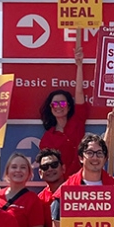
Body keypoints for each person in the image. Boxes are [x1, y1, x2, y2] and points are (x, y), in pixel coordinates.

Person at [38, 47, 88, 177]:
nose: (58, 107)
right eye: (55, 103)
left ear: (69, 106)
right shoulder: (47, 138)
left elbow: (79, 92)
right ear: (50, 107)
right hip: (61, 185)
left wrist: (79, 65)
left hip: (82, 181)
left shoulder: (78, 120)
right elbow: (48, 167)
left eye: (63, 103)